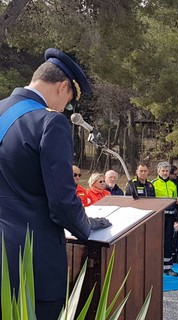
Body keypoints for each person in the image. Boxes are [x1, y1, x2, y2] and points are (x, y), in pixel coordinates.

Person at [0, 48, 110, 320]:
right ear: (63, 87)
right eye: (70, 102)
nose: (66, 109)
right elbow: (61, 202)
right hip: (32, 263)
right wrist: (86, 224)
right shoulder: (50, 122)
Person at [152, 162, 178, 277]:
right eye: (163, 171)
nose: (165, 173)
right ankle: (155, 265)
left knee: (169, 241)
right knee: (157, 241)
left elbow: (176, 201)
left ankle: (168, 267)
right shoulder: (153, 184)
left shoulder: (172, 184)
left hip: (170, 216)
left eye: (167, 171)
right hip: (158, 216)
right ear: (158, 171)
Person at [169, 164, 178, 264]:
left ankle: (175, 252)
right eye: (175, 174)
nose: (177, 176)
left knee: (177, 233)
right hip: (168, 212)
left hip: (177, 210)